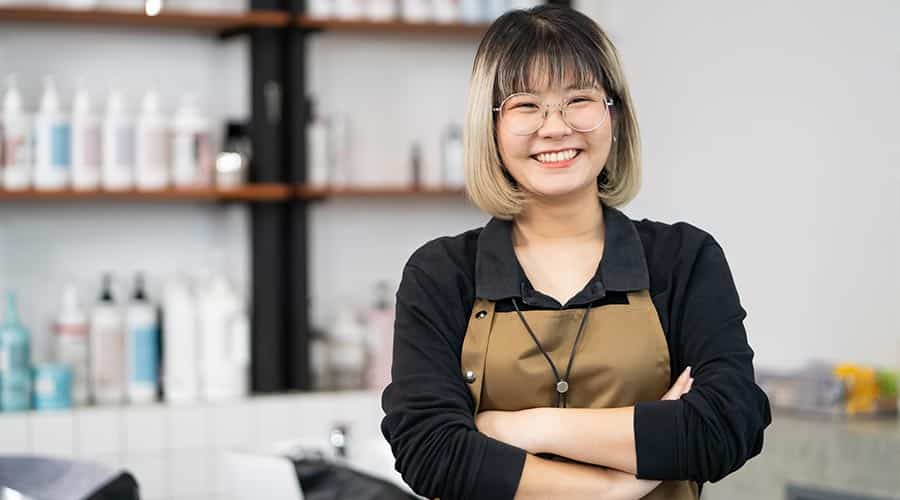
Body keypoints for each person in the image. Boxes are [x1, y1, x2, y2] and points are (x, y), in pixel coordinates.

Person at [380, 5, 772, 500]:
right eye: (526, 105)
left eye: (578, 100)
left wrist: (527, 428)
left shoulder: (684, 259)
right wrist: (612, 490)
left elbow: (728, 425)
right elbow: (430, 450)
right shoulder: (441, 274)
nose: (556, 127)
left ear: (614, 114)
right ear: (492, 127)